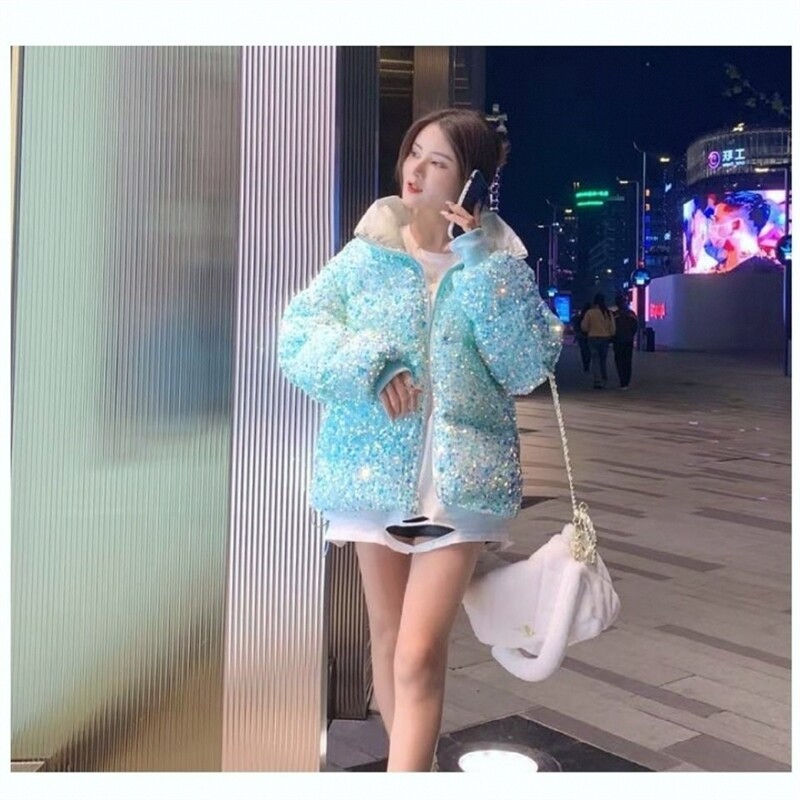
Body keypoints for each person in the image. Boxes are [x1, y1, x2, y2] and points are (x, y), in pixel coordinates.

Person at [278, 107, 563, 772]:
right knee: (386, 640)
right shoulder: (367, 256)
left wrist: (481, 262)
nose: (416, 170)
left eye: (439, 162)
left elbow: (526, 365)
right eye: (414, 153)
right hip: (373, 470)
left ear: (471, 181)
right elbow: (297, 336)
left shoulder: (499, 265)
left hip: (461, 482)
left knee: (417, 651)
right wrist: (370, 364)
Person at [581, 292, 615, 389]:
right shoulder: (608, 313)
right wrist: (610, 334)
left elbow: (584, 327)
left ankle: (597, 380)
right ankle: (604, 377)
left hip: (593, 338)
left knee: (595, 359)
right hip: (605, 338)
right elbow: (612, 327)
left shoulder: (590, 313)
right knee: (603, 359)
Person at [612, 292, 638, 390]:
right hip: (628, 340)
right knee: (627, 361)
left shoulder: (615, 315)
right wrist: (631, 335)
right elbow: (635, 326)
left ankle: (622, 380)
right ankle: (626, 381)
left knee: (619, 361)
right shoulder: (631, 314)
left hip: (618, 340)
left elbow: (612, 327)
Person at [572, 301, 592, 372]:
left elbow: (577, 327)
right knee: (589, 350)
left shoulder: (580, 316)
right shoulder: (590, 315)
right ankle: (588, 364)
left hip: (581, 336)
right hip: (589, 335)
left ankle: (585, 366)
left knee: (583, 351)